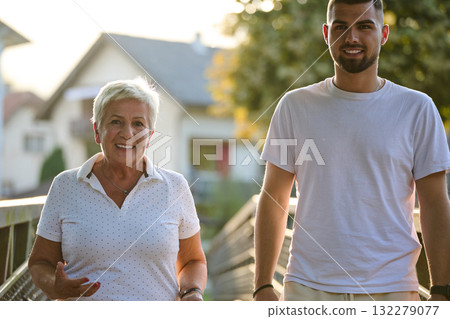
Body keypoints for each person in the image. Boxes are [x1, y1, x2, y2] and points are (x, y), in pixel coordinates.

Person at [253, 0, 450, 301]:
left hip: (392, 290)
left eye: (364, 26)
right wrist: (263, 285)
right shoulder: (294, 106)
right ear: (326, 33)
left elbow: (435, 203)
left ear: (383, 34)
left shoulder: (417, 109)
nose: (352, 37)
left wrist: (441, 289)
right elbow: (274, 198)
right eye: (341, 27)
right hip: (307, 288)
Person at [28, 78, 207, 301]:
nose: (128, 133)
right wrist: (54, 287)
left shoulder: (175, 187)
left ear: (150, 136)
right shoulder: (66, 185)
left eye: (138, 124)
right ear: (97, 131)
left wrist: (192, 292)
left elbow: (193, 261)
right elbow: (40, 263)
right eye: (115, 122)